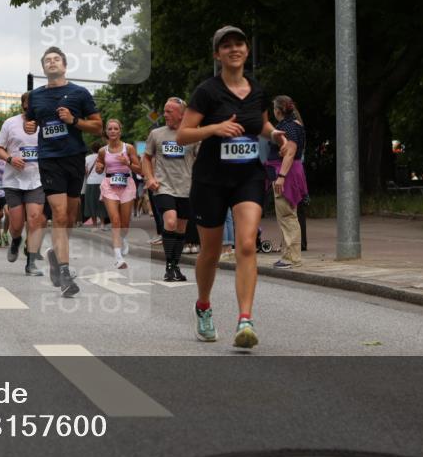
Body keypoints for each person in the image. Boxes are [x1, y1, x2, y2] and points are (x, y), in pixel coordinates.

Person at [177, 26, 290, 348]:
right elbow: (184, 134)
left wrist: (275, 134)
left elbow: (262, 123)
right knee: (211, 253)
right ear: (218, 55)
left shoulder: (257, 90)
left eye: (239, 43)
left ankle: (245, 320)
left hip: (247, 178)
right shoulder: (207, 92)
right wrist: (215, 128)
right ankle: (203, 306)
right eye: (226, 46)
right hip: (210, 180)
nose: (234, 49)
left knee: (245, 245)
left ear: (246, 50)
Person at [25, 46, 102, 297]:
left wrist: (74, 121)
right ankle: (66, 273)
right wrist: (29, 126)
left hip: (74, 157)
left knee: (69, 217)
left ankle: (55, 255)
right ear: (43, 67)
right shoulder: (36, 96)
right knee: (58, 215)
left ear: (65, 65)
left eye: (56, 59)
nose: (52, 63)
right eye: (47, 60)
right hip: (49, 159)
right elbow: (31, 123)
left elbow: (98, 127)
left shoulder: (79, 93)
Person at [143, 97, 197, 281]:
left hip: (186, 187)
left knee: (181, 229)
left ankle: (175, 265)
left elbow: (201, 161)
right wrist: (149, 178)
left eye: (169, 111)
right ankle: (168, 266)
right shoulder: (156, 134)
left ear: (182, 114)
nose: (164, 115)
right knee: (171, 221)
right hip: (163, 186)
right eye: (164, 111)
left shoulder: (192, 135)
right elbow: (146, 158)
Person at [0, 92, 46, 275]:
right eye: (28, 102)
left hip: (37, 179)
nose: (31, 105)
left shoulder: (45, 123)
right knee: (16, 225)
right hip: (13, 180)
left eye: (35, 102)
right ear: (22, 105)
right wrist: (10, 159)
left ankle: (31, 263)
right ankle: (16, 240)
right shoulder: (10, 123)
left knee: (34, 220)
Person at [94, 119, 142, 270]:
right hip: (109, 185)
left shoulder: (128, 148)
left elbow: (139, 170)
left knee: (125, 223)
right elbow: (99, 169)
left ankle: (122, 239)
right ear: (106, 132)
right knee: (115, 220)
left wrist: (127, 162)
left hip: (126, 185)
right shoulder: (103, 151)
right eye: (110, 129)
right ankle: (118, 258)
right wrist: (99, 168)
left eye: (116, 129)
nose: (113, 131)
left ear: (120, 131)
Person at [267, 95, 307, 269]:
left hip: (286, 174)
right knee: (288, 215)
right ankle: (287, 255)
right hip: (290, 172)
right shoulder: (295, 125)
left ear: (278, 111)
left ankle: (292, 257)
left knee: (287, 215)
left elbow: (290, 152)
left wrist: (281, 176)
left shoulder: (288, 127)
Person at [82, 142, 104, 229]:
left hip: (90, 183)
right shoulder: (103, 157)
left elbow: (85, 171)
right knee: (101, 203)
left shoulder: (87, 158)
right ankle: (102, 224)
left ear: (91, 149)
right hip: (102, 182)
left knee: (92, 204)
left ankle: (94, 224)